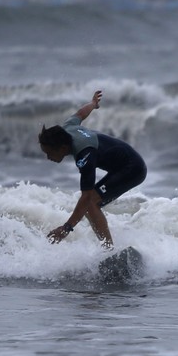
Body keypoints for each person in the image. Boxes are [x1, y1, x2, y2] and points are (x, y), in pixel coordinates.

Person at [38, 90, 146, 248]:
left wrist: (66, 228)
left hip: (133, 168)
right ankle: (108, 249)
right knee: (90, 205)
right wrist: (93, 104)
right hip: (122, 164)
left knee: (91, 203)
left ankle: (108, 249)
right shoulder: (67, 127)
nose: (48, 157)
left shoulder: (85, 155)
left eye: (49, 152)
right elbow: (81, 113)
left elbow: (86, 197)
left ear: (62, 147)